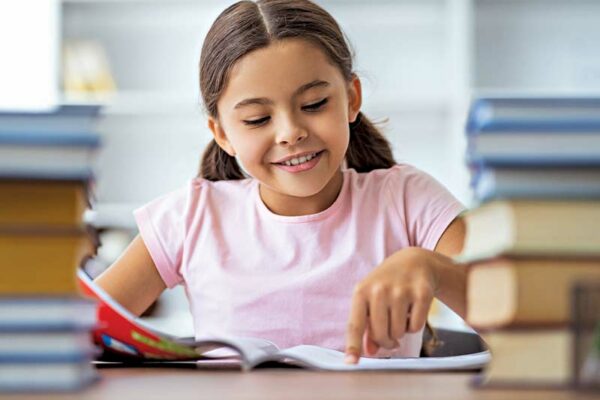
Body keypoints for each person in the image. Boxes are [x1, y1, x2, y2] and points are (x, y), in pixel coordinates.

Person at [95, 0, 468, 365]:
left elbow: (520, 308)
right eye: (258, 119)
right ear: (221, 132)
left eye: (314, 104)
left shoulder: (406, 200)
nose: (290, 133)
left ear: (352, 98)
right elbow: (76, 334)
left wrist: (435, 269)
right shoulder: (188, 219)